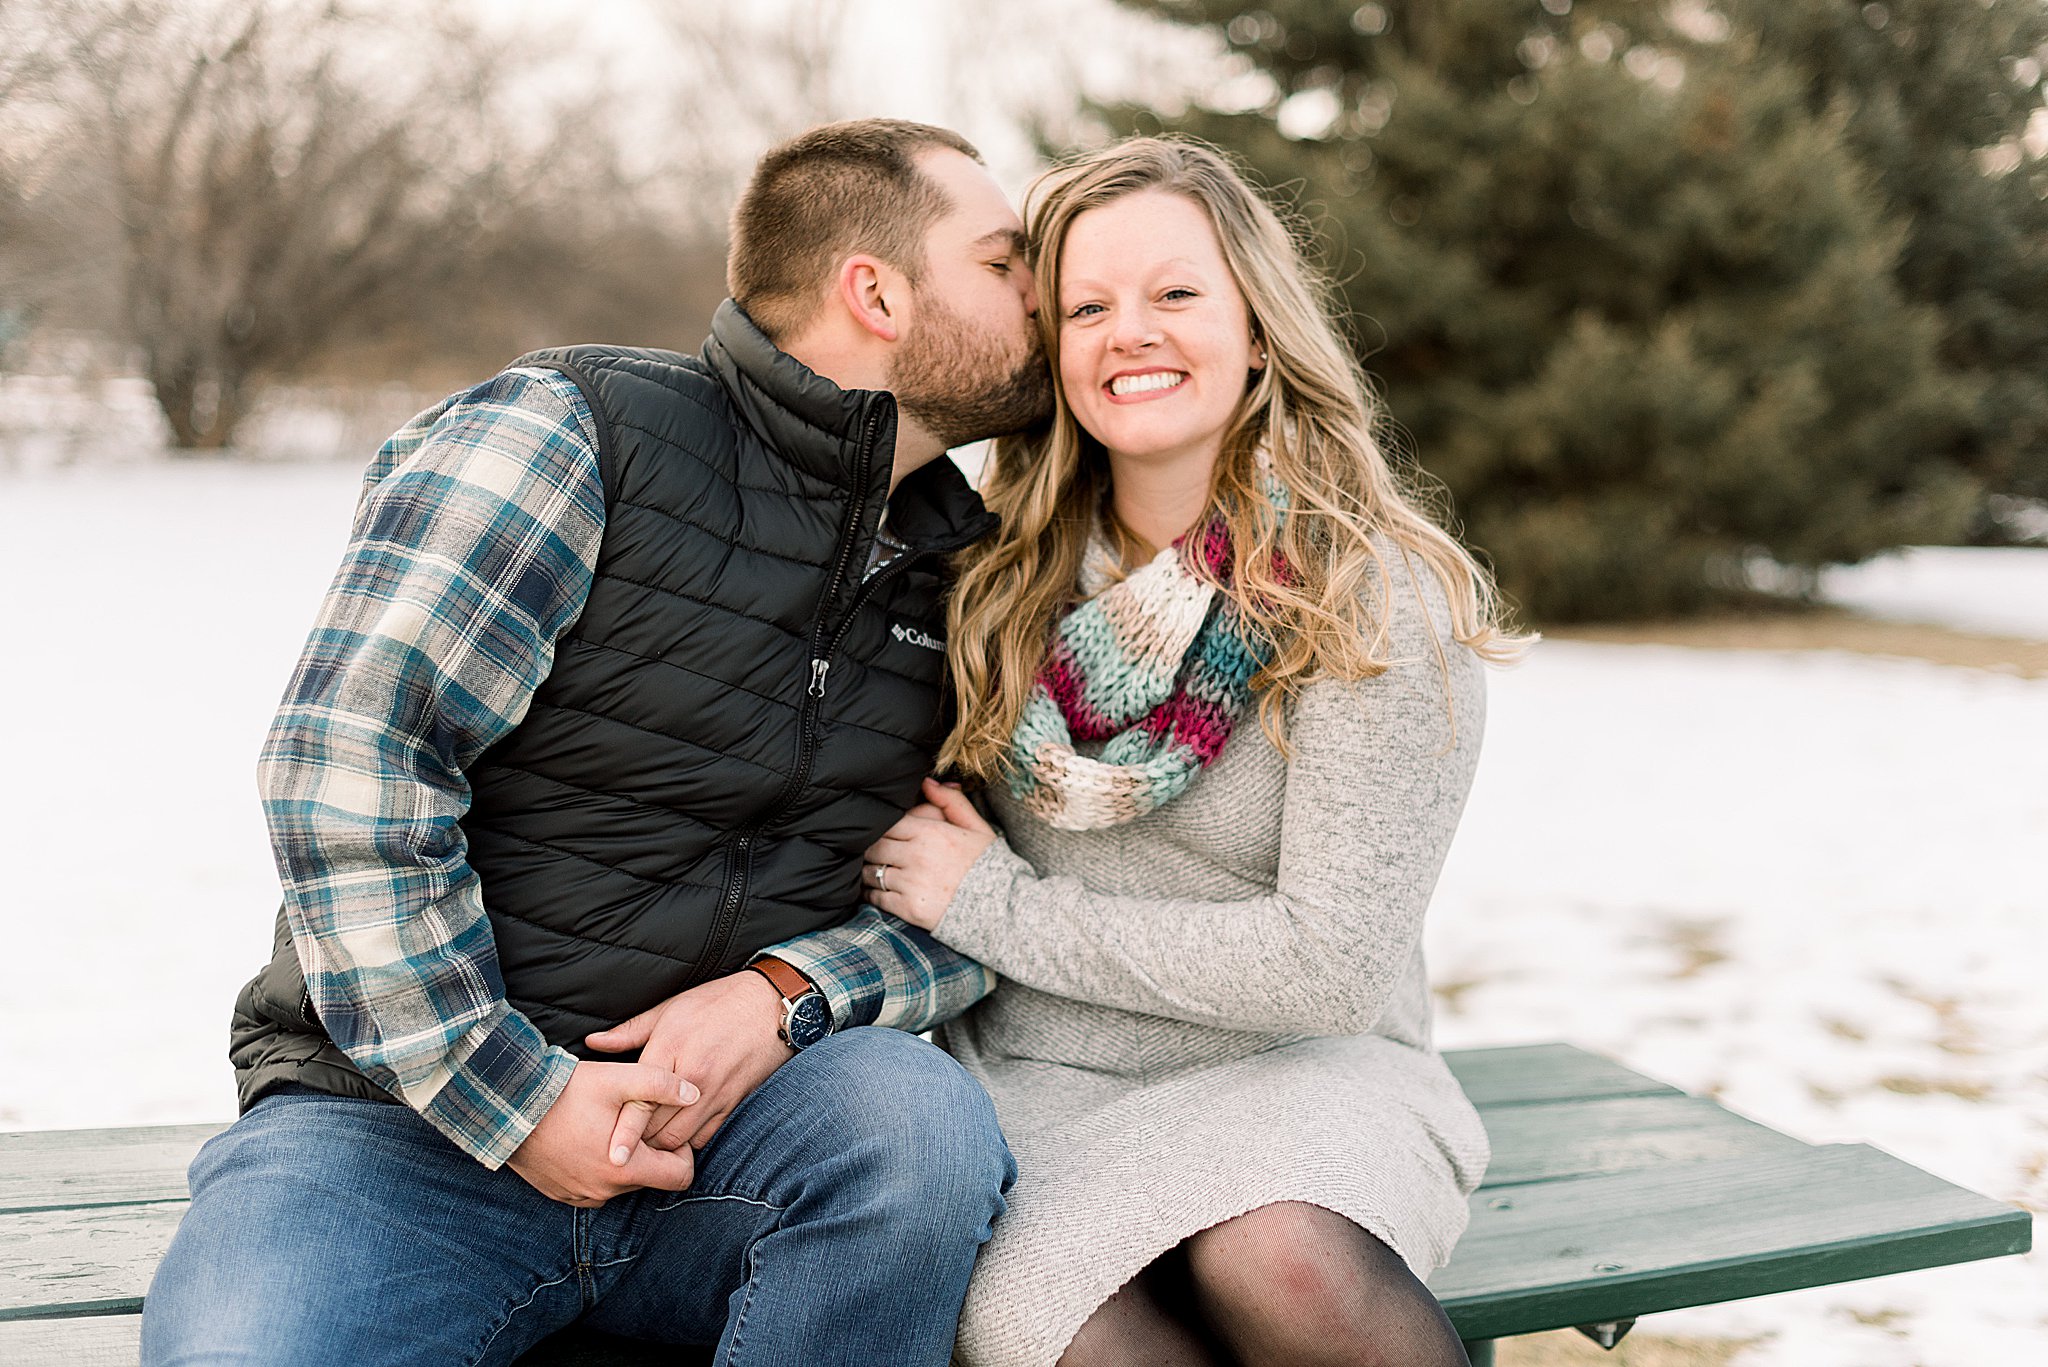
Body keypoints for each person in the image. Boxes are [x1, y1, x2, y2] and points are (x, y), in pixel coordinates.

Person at [141, 118, 1053, 1367]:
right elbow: (347, 770)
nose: (1042, 294)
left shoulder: (968, 564)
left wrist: (788, 995)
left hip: (736, 1134)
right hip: (399, 1129)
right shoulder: (572, 432)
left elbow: (968, 891)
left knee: (916, 1127)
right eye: (1005, 260)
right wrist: (515, 1102)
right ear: (876, 289)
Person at [856, 136, 1529, 1367]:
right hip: (1039, 1085)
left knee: (1277, 1252)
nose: (1130, 332)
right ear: (1049, 351)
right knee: (1064, 1333)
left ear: (1258, 328)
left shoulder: (1365, 594)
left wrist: (996, 906)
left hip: (1310, 1071)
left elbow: (1324, 969)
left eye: (1174, 294)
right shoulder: (992, 577)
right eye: (1087, 306)